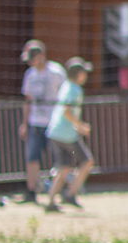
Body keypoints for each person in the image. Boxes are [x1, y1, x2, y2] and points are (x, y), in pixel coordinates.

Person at [17, 40, 66, 204]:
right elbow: (27, 100)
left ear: (42, 55)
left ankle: (58, 192)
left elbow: (65, 97)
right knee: (32, 158)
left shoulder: (56, 72)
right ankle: (31, 191)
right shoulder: (30, 75)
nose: (30, 62)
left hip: (54, 123)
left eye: (32, 58)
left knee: (57, 159)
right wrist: (24, 123)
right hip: (35, 123)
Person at [44, 57, 94, 210]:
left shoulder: (66, 86)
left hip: (55, 132)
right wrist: (80, 125)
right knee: (87, 162)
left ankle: (51, 202)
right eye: (84, 72)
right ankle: (70, 194)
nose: (86, 75)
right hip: (66, 136)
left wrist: (77, 126)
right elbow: (66, 110)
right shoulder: (74, 89)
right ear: (78, 74)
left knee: (63, 168)